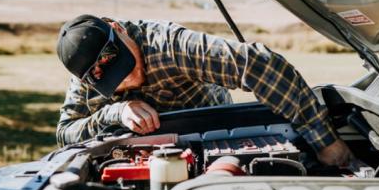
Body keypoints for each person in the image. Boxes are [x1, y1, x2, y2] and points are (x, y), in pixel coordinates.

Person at [55, 14, 354, 166]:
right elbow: (65, 132)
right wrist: (114, 111)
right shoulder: (85, 76)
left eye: (127, 65)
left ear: (117, 28)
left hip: (215, 136)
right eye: (114, 83)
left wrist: (325, 141)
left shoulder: (169, 46)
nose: (127, 81)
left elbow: (260, 65)